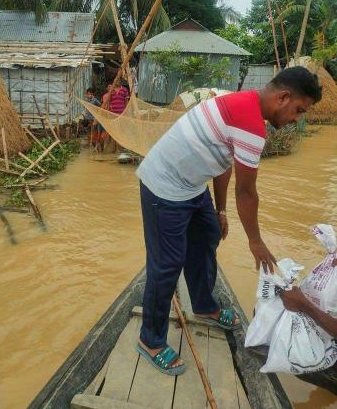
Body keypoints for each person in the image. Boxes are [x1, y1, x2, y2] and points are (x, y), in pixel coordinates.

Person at [135, 66, 322, 375]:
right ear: (283, 97)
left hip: (192, 185)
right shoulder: (250, 123)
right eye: (298, 111)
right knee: (167, 264)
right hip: (164, 187)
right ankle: (151, 340)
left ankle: (205, 306)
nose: (296, 119)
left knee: (208, 233)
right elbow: (247, 192)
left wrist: (219, 211)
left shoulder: (244, 104)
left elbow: (223, 163)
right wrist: (256, 241)